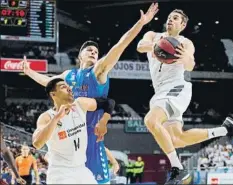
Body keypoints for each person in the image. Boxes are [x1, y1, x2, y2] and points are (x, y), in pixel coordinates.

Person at [23, 3, 158, 184]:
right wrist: (29, 72)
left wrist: (140, 24)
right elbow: (49, 83)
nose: (94, 52)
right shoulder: (68, 76)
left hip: (92, 140)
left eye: (96, 51)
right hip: (69, 136)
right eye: (89, 50)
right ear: (80, 56)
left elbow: (120, 46)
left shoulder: (98, 71)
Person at [137, 9, 233, 184]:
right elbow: (140, 46)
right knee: (176, 140)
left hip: (176, 88)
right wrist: (158, 46)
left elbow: (190, 64)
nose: (170, 20)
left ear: (182, 25)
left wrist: (184, 57)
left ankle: (177, 168)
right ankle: (226, 129)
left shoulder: (185, 42)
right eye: (169, 18)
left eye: (175, 18)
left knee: (151, 121)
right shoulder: (153, 35)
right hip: (160, 92)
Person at [32, 78, 115, 184]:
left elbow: (109, 102)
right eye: (63, 87)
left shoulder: (80, 104)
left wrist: (103, 122)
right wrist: (57, 118)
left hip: (81, 169)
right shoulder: (47, 117)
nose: (69, 89)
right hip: (60, 173)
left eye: (68, 86)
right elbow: (37, 143)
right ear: (53, 94)